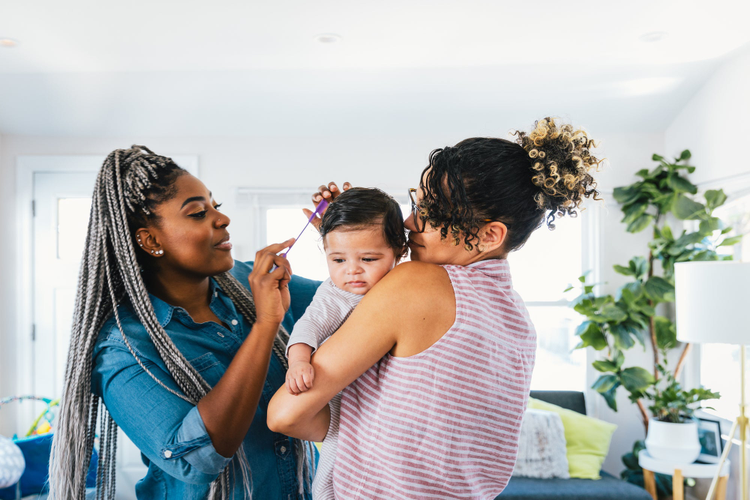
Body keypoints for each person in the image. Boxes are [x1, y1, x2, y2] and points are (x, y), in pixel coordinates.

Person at [268, 118, 601, 499]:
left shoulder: (416, 284)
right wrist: (360, 245)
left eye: (431, 210)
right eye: (415, 203)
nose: (410, 221)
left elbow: (285, 414)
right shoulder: (519, 325)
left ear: (489, 235)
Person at [49, 146, 320, 500]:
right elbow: (197, 460)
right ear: (150, 240)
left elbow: (356, 306)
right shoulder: (123, 347)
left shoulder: (247, 281)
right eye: (197, 213)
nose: (222, 219)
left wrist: (344, 233)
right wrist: (266, 324)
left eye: (215, 206)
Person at [284, 187, 408, 499]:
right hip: (346, 403)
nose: (352, 269)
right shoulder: (336, 293)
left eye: (368, 258)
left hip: (392, 403)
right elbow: (308, 326)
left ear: (399, 251)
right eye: (337, 258)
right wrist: (299, 361)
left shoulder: (406, 282)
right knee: (334, 473)